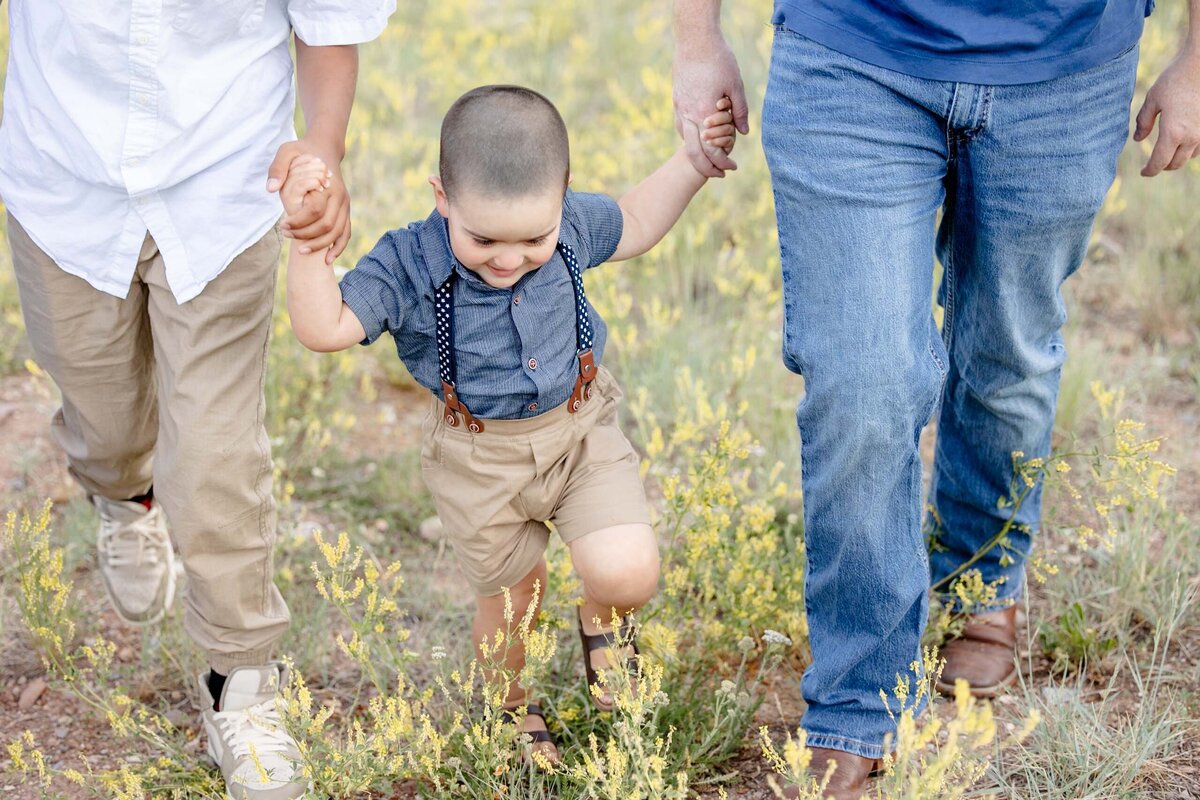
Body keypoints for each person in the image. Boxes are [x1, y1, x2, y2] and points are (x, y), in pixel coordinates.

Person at [671, 0, 1200, 797]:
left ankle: (980, 579)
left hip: (1064, 67)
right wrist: (697, 37)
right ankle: (858, 696)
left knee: (1007, 351)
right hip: (851, 50)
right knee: (861, 378)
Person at [0, 2, 393, 797]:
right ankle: (123, 494)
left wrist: (321, 152)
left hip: (225, 184)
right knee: (104, 418)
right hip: (61, 181)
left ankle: (242, 684)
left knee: (215, 454)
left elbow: (327, 26)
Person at [280, 84, 738, 761]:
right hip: (479, 460)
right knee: (514, 600)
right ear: (443, 198)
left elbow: (636, 220)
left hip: (580, 433)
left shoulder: (572, 225)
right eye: (484, 238)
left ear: (563, 197)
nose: (507, 258)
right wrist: (307, 242)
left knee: (629, 571)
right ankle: (511, 709)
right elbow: (324, 327)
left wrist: (693, 162)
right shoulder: (409, 262)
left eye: (534, 238)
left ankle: (603, 623)